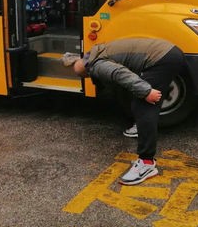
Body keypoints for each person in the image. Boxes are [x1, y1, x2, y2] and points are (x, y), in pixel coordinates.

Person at [71, 38, 185, 185]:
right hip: (169, 51)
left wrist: (146, 91)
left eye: (86, 76)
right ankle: (141, 129)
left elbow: (119, 74)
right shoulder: (98, 51)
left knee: (143, 106)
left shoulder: (97, 65)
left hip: (161, 59)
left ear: (87, 71)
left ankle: (146, 163)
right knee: (140, 100)